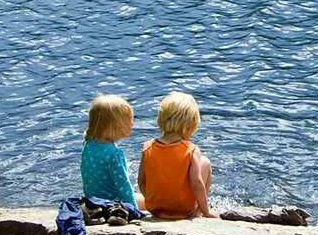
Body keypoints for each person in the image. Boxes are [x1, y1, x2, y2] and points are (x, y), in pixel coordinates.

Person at [137, 91, 219, 219]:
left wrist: (153, 201)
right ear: (192, 126)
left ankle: (159, 204)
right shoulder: (191, 149)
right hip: (184, 209)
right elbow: (197, 183)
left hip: (155, 208)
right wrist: (207, 211)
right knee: (205, 162)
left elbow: (141, 181)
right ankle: (199, 212)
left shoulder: (147, 147)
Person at [80, 94, 144, 208]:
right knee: (150, 200)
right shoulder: (115, 154)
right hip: (113, 203)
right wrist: (133, 209)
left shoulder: (87, 144)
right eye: (129, 120)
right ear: (116, 125)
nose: (132, 124)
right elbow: (124, 188)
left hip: (93, 201)